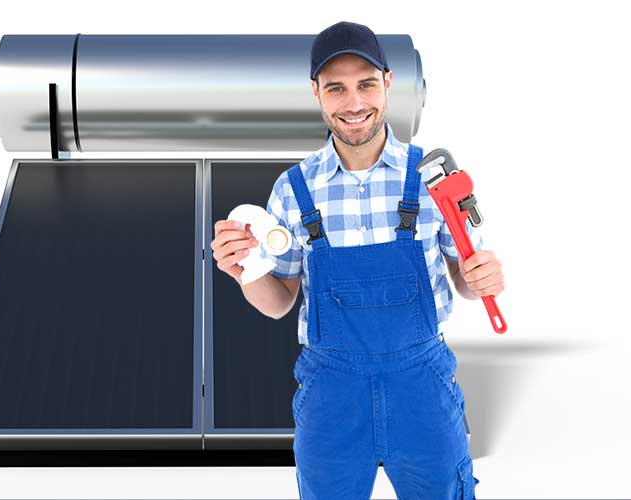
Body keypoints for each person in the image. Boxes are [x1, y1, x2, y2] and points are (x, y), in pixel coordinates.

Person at [209, 21, 504, 500]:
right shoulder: (293, 189)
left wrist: (481, 276)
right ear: (316, 93)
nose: (354, 103)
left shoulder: (432, 179)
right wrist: (245, 272)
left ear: (388, 82)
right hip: (331, 397)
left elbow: (466, 278)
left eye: (366, 84)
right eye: (336, 88)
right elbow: (278, 303)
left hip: (422, 390)